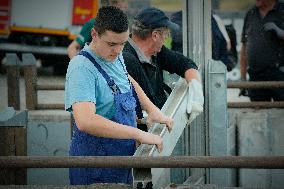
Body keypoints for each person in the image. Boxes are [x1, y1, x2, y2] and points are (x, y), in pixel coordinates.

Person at [65, 6, 173, 185]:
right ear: (94, 34)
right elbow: (85, 121)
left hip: (120, 160)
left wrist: (152, 110)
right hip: (95, 165)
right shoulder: (81, 68)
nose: (117, 50)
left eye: (122, 43)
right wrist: (138, 134)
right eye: (111, 44)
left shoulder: (116, 55)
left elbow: (127, 80)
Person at [122, 7, 204, 131]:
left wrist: (195, 86)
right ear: (155, 35)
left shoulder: (157, 52)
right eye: (166, 34)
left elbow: (185, 63)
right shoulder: (126, 59)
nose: (166, 39)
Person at [239, 0, 284, 101]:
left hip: (280, 74)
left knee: (281, 113)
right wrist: (242, 79)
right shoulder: (251, 13)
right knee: (258, 112)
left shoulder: (282, 10)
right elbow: (244, 47)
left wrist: (280, 33)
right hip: (256, 75)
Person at [170, 10, 237, 72]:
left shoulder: (214, 19)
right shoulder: (178, 18)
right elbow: (227, 46)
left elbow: (226, 47)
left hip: (207, 70)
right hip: (192, 70)